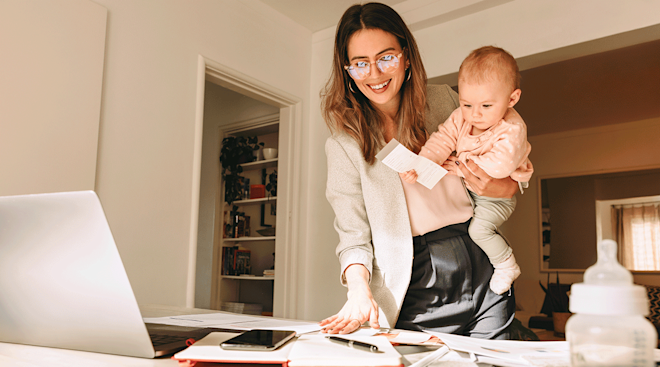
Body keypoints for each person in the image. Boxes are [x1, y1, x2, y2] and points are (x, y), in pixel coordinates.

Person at [319, 2, 519, 339]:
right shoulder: (344, 145)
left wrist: (506, 187)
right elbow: (352, 234)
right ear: (348, 71)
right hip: (415, 276)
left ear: (406, 56)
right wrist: (358, 288)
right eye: (360, 64)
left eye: (386, 57)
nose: (375, 73)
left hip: (478, 254)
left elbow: (504, 150)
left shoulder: (446, 101)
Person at [400, 46, 533, 295]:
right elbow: (443, 139)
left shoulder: (512, 129)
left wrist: (460, 168)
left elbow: (500, 166)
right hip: (469, 194)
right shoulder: (462, 116)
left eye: (486, 106)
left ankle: (506, 265)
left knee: (479, 230)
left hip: (495, 199)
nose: (475, 114)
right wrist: (422, 163)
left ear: (512, 99)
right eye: (467, 104)